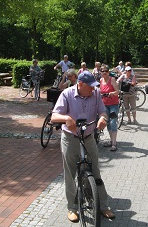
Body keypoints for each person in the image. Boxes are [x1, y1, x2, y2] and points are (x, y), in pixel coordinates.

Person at [51, 71, 115, 222]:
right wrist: (66, 118)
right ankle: (72, 208)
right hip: (70, 139)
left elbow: (103, 111)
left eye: (94, 86)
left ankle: (103, 206)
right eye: (90, 86)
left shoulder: (96, 93)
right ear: (80, 84)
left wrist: (103, 119)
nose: (93, 89)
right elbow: (54, 116)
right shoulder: (67, 94)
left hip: (88, 138)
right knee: (70, 174)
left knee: (95, 171)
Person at [99, 64, 120, 151]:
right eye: (102, 71)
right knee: (107, 123)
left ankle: (114, 144)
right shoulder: (101, 80)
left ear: (108, 72)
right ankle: (111, 141)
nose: (104, 73)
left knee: (113, 122)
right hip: (104, 105)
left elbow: (117, 91)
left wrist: (112, 93)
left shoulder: (112, 79)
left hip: (114, 104)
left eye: (106, 71)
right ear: (100, 72)